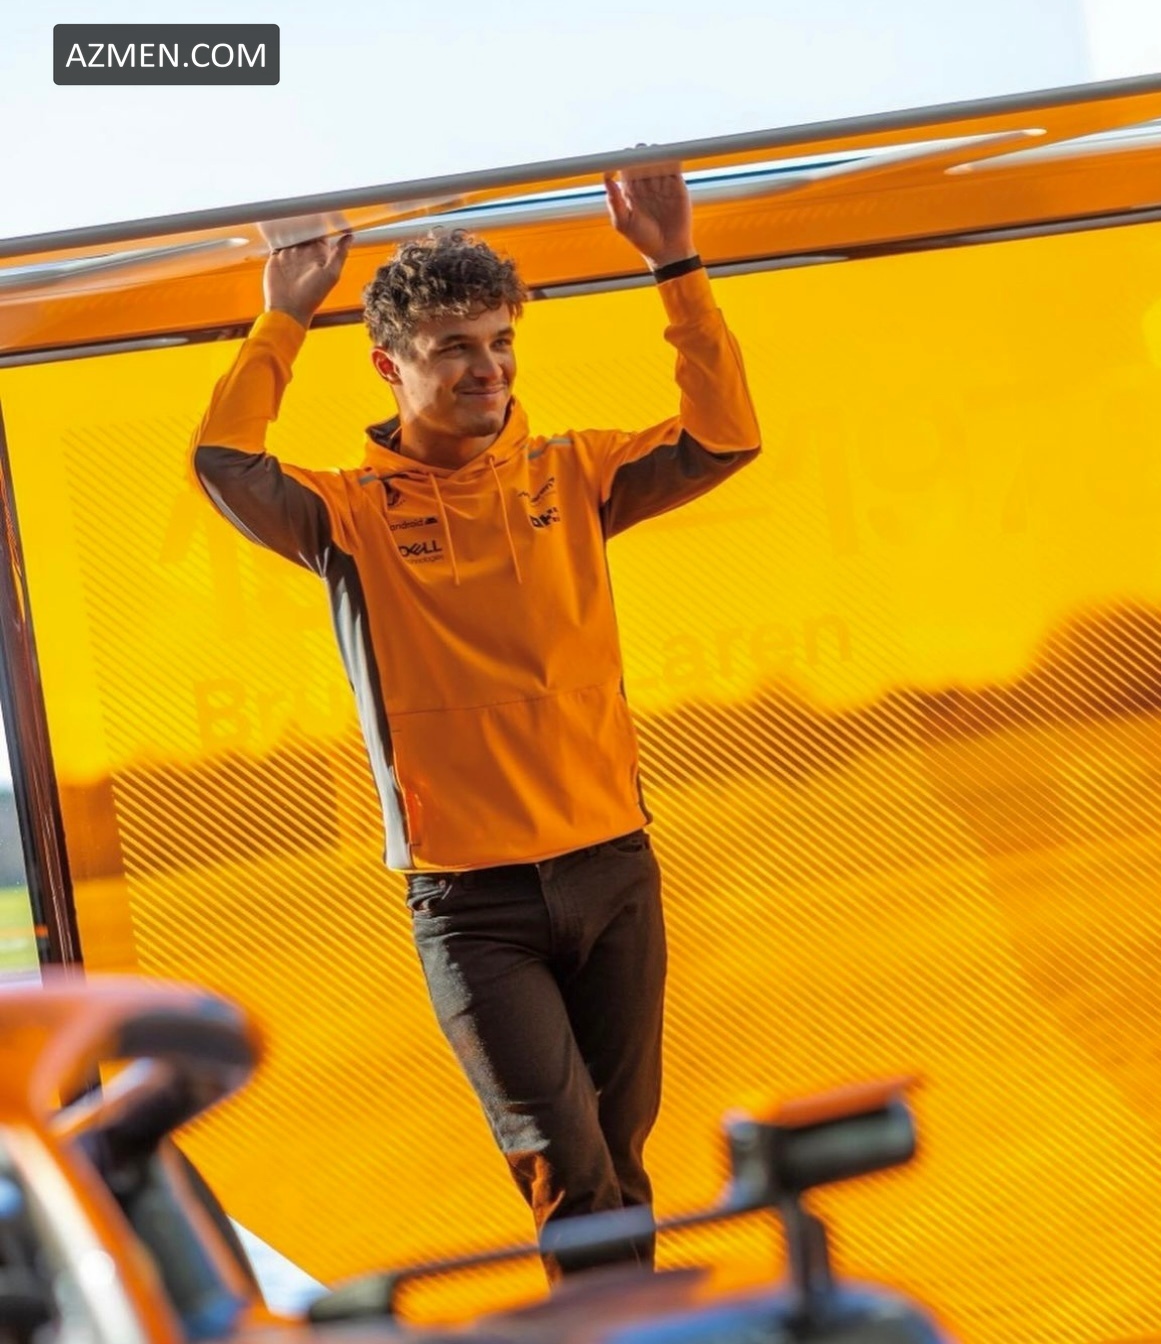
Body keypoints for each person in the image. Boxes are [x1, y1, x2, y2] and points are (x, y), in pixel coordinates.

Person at [190, 163, 761, 1281]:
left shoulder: (577, 474)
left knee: (618, 1161)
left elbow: (725, 436)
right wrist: (284, 313)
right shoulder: (346, 514)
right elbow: (224, 461)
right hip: (472, 908)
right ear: (389, 363)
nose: (487, 368)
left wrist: (674, 263)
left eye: (500, 342)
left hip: (614, 871)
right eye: (454, 347)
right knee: (568, 1167)